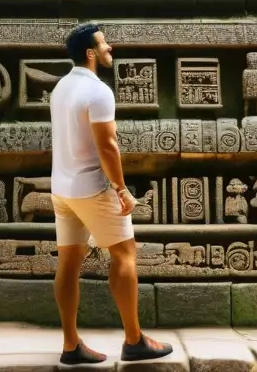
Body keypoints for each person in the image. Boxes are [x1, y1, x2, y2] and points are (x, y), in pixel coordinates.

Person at [49, 22, 174, 365]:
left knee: (69, 264)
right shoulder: (98, 91)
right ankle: (134, 340)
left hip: (62, 188)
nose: (110, 48)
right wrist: (121, 189)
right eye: (104, 44)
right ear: (90, 53)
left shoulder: (60, 88)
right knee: (125, 255)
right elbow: (107, 145)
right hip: (91, 187)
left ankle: (71, 344)